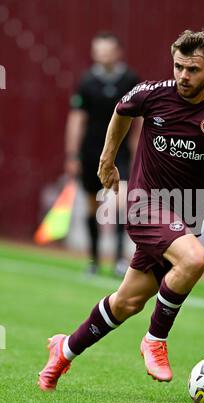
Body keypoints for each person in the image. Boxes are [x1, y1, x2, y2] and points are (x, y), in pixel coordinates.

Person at [38, 29, 204, 391]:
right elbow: (121, 110)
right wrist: (107, 159)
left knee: (127, 302)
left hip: (185, 215)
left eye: (192, 70)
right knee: (194, 259)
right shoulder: (152, 94)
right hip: (144, 205)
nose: (183, 77)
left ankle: (63, 350)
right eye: (178, 67)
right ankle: (155, 340)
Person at [64, 31, 140, 276]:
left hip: (121, 152)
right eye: (98, 50)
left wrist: (139, 150)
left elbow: (140, 120)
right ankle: (94, 259)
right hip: (92, 151)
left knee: (119, 202)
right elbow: (77, 119)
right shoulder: (86, 82)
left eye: (107, 50)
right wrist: (72, 155)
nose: (103, 55)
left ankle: (118, 258)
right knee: (90, 204)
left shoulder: (130, 80)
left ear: (118, 52)